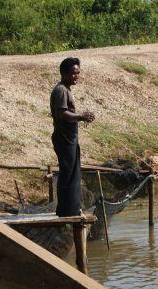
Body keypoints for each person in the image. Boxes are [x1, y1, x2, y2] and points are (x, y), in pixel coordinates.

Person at [50, 57, 95, 217]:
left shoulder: (66, 89)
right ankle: (66, 210)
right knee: (68, 173)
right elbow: (61, 113)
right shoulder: (60, 90)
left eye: (78, 73)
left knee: (72, 172)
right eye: (73, 73)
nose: (76, 76)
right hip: (64, 138)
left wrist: (81, 116)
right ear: (63, 73)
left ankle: (71, 208)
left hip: (70, 138)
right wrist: (81, 116)